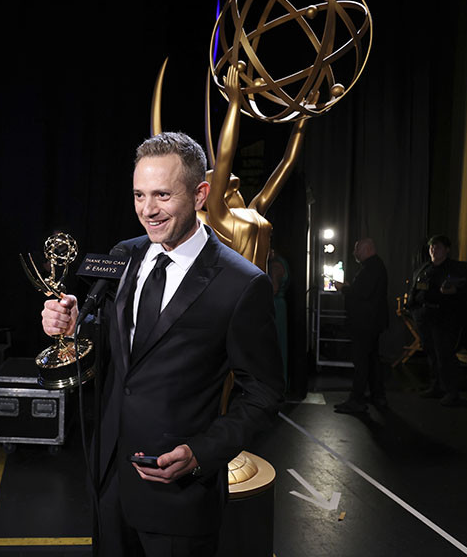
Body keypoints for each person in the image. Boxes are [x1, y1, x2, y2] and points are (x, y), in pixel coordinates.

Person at [41, 132, 284, 556]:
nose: (147, 210)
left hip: (179, 496)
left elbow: (263, 393)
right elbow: (114, 343)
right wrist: (72, 324)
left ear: (200, 194)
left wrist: (202, 453)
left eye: (162, 195)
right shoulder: (124, 254)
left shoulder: (243, 284)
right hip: (109, 483)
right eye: (138, 195)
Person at [407, 234, 467, 406]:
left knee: (445, 355)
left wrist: (454, 292)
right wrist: (413, 309)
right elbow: (414, 290)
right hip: (424, 317)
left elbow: (466, 290)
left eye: (438, 247)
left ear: (447, 250)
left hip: (444, 318)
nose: (434, 250)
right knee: (432, 354)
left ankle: (451, 391)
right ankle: (436, 386)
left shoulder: (456, 268)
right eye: (432, 247)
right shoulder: (424, 269)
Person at [333, 238, 389, 414]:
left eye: (357, 249)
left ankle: (357, 400)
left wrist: (343, 288)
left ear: (367, 249)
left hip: (365, 324)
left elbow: (361, 294)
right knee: (372, 360)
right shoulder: (375, 266)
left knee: (361, 361)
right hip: (372, 323)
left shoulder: (371, 268)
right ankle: (377, 395)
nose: (354, 253)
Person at [268, 248, 290, 388]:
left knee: (274, 345)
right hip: (279, 306)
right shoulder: (282, 263)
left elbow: (274, 288)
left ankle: (275, 384)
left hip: (274, 306)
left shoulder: (275, 265)